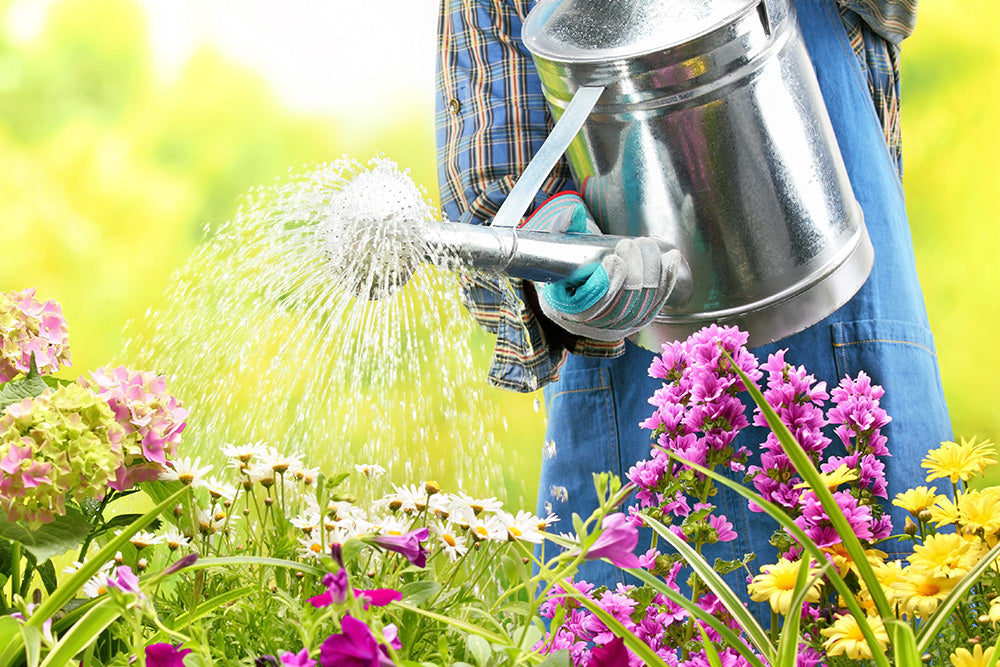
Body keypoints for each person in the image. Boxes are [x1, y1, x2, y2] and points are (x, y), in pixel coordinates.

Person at [434, 0, 952, 603]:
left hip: (848, 309)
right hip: (638, 359)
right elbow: (491, 129)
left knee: (885, 618)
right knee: (651, 626)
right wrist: (548, 249)